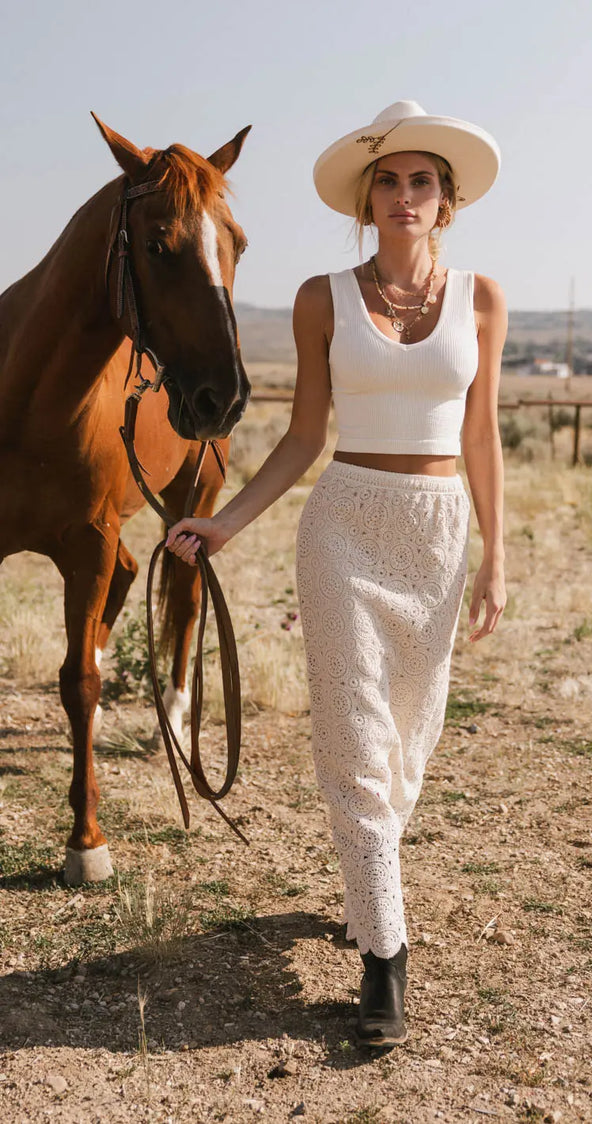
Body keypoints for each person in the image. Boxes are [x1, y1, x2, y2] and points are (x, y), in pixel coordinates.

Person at [166, 100, 507, 1048]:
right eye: (389, 182)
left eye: (422, 182)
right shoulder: (323, 297)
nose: (405, 196)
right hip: (344, 530)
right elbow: (306, 436)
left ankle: (369, 881)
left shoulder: (482, 299)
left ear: (446, 201)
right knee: (356, 742)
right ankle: (385, 960)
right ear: (367, 200)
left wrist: (497, 557)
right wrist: (228, 523)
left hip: (438, 536)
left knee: (409, 742)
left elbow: (481, 435)